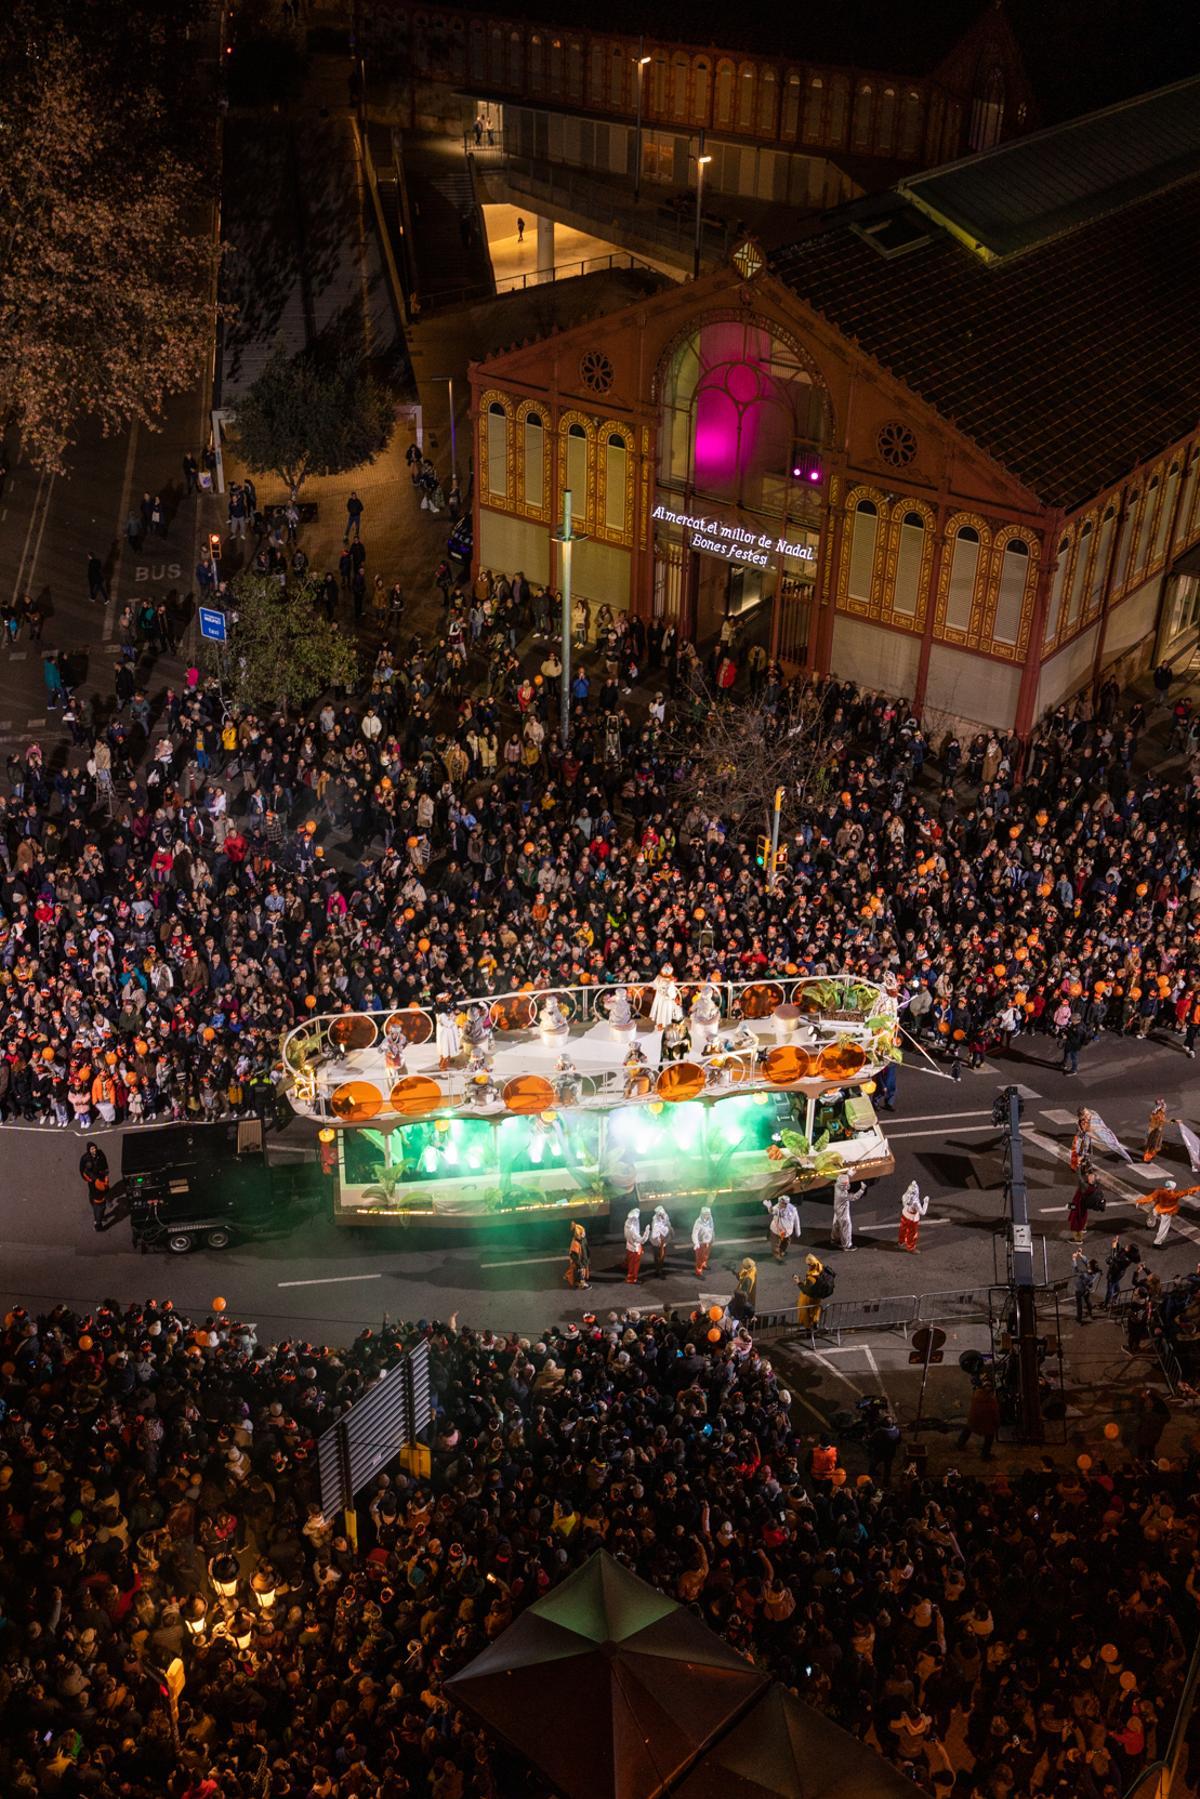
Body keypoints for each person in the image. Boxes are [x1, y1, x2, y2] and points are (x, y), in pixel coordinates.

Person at [956, 1375, 1000, 1458]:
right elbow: (995, 1415)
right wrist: (997, 1424)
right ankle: (985, 1454)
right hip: (986, 1424)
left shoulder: (976, 1394)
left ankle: (960, 1443)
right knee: (990, 1436)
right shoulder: (991, 1401)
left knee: (968, 1428)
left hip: (974, 1420)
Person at [79, 1140, 110, 1230]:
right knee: (99, 1204)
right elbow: (82, 1170)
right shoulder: (85, 1159)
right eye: (92, 1149)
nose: (94, 1150)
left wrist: (106, 1175)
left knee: (100, 1200)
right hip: (93, 1182)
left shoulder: (100, 1154)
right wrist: (89, 1179)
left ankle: (99, 1216)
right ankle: (97, 1222)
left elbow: (105, 1164)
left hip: (101, 1179)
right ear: (89, 1150)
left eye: (95, 1148)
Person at [830, 1172, 865, 1251]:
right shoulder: (842, 1195)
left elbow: (843, 1178)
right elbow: (854, 1197)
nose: (847, 1186)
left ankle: (834, 1239)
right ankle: (847, 1245)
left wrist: (849, 1174)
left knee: (837, 1224)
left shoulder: (837, 1185)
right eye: (845, 1185)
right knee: (846, 1226)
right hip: (842, 1211)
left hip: (837, 1209)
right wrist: (862, 1189)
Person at [794, 1252, 828, 1328]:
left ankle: (808, 1329)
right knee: (815, 1310)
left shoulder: (812, 1277)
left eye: (809, 1265)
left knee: (805, 1312)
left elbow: (805, 1290)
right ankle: (815, 1323)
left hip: (809, 1298)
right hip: (817, 1297)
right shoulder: (820, 1268)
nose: (808, 1266)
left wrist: (798, 1282)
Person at [765, 1193, 800, 1262]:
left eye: (783, 1203)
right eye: (780, 1203)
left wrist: (798, 1231)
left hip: (788, 1232)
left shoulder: (792, 1209)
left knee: (786, 1243)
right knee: (775, 1244)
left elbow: (796, 1220)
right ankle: (777, 1256)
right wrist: (769, 1207)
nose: (781, 1204)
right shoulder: (777, 1208)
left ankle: (782, 1251)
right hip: (777, 1231)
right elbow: (772, 1211)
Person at [898, 1180, 929, 1253]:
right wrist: (925, 1202)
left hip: (905, 1214)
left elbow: (904, 1204)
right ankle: (910, 1247)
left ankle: (901, 1242)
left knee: (903, 1229)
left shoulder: (905, 1196)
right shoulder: (916, 1203)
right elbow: (923, 1212)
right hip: (912, 1219)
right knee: (912, 1233)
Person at [1072, 1249, 1100, 1322]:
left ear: (1090, 1268)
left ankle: (1079, 1317)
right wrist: (1080, 1255)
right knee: (1087, 1300)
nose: (1087, 1263)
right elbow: (1087, 1261)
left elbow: (1076, 1271)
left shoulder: (1085, 1275)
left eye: (1089, 1265)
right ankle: (1090, 1311)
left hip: (1081, 1289)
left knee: (1079, 1303)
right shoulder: (1095, 1271)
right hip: (1088, 1289)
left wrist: (1074, 1259)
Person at [623, 1206, 648, 1283]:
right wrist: (647, 1232)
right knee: (635, 1264)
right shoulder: (632, 1230)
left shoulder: (627, 1224)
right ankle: (632, 1279)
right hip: (635, 1248)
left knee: (631, 1263)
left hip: (629, 1247)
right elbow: (642, 1240)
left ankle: (630, 1275)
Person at [564, 1221, 590, 1290]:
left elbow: (586, 1248)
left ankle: (575, 1279)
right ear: (579, 1234)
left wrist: (587, 1258)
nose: (584, 1233)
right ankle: (581, 1284)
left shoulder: (583, 1240)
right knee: (580, 1273)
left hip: (583, 1259)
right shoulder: (575, 1243)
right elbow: (574, 1256)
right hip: (578, 1262)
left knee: (581, 1272)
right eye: (583, 1233)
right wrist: (580, 1264)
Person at [648, 1205, 672, 1277]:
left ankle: (659, 1269)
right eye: (660, 1214)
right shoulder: (655, 1221)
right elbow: (655, 1233)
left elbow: (669, 1227)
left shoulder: (666, 1218)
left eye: (662, 1214)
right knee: (657, 1257)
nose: (662, 1216)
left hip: (664, 1242)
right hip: (657, 1243)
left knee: (662, 1256)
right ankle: (658, 1271)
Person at [1143, 1097, 1168, 1163]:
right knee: (1152, 1144)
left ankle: (1150, 1155)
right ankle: (1147, 1157)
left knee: (1155, 1144)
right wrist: (1175, 1121)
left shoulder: (1160, 1114)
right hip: (1154, 1131)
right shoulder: (1158, 1115)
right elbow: (1164, 1121)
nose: (1165, 1109)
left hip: (1157, 1131)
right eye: (1164, 1107)